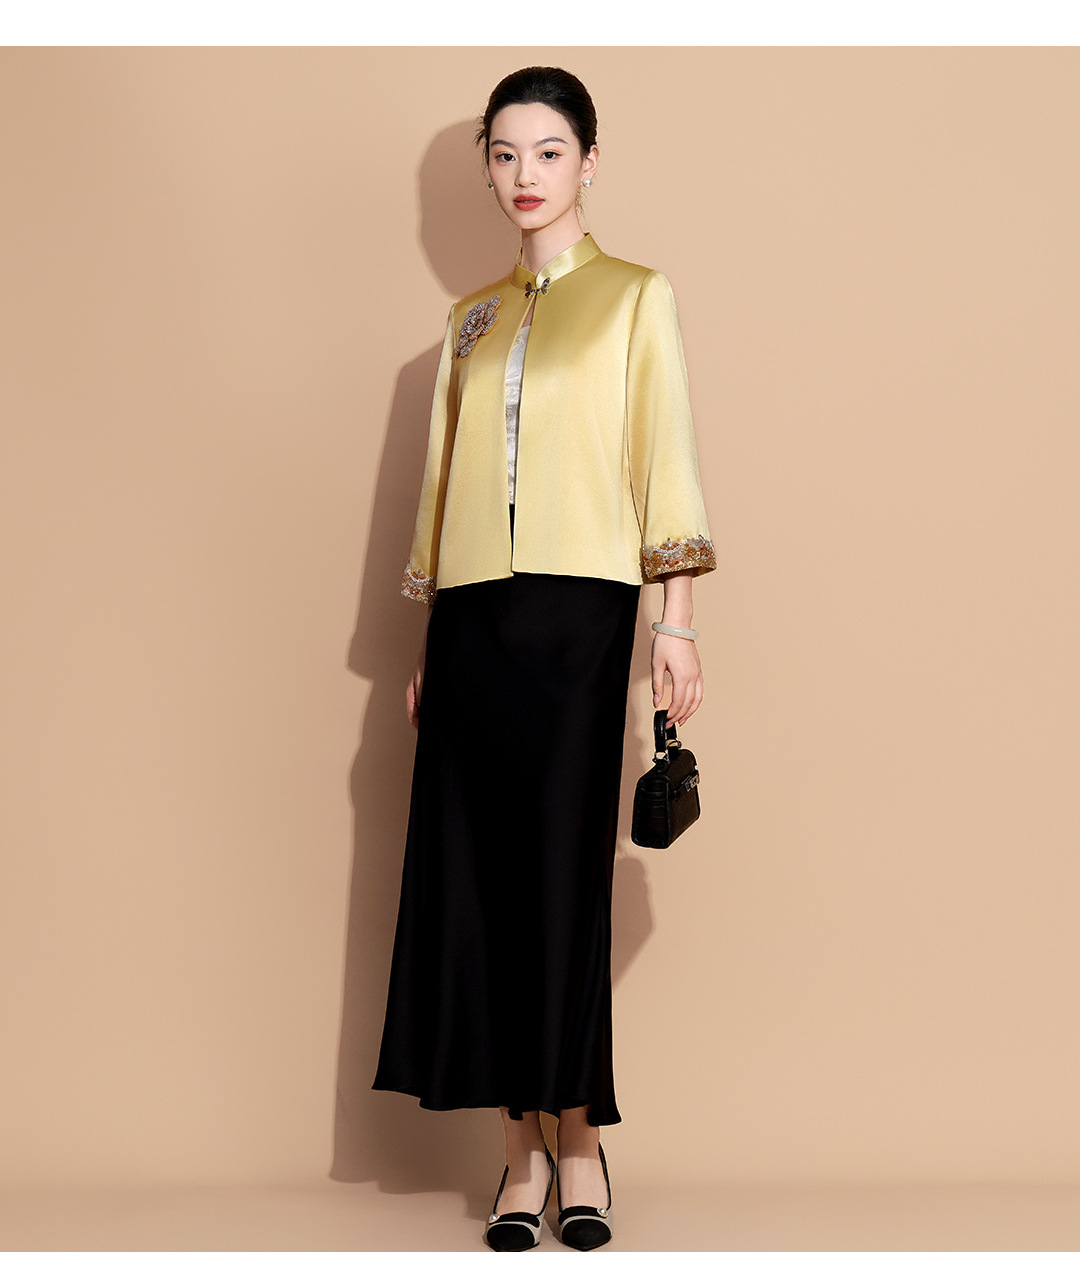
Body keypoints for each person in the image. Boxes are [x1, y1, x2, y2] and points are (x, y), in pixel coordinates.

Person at [372, 66, 715, 1251]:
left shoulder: (634, 296)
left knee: (562, 877)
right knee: (477, 878)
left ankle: (578, 1140)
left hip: (581, 614)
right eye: (506, 153)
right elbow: (438, 487)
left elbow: (663, 454)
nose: (526, 175)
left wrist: (674, 620)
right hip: (470, 621)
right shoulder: (467, 321)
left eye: (550, 152)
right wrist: (431, 643)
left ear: (589, 162)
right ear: (487, 166)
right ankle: (517, 1149)